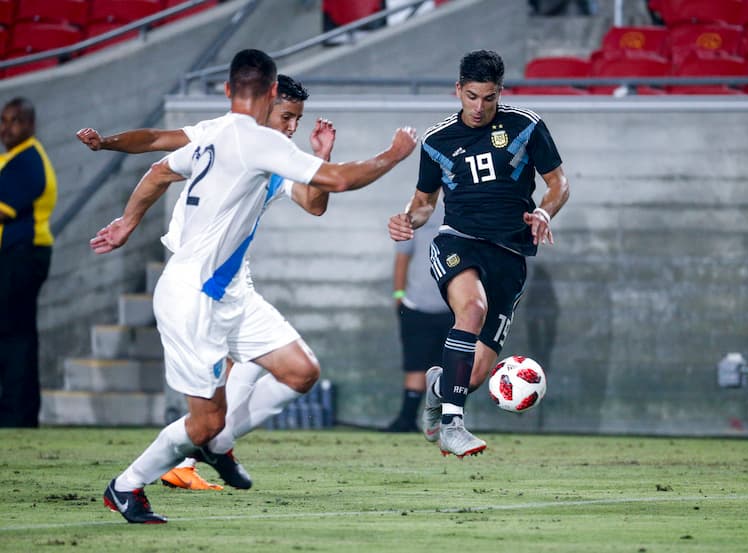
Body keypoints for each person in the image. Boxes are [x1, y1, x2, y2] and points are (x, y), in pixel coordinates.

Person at [92, 48, 417, 524]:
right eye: (287, 116)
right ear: (269, 94)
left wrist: (128, 221)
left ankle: (218, 444)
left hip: (230, 290)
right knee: (206, 420)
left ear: (230, 90)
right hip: (194, 293)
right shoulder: (256, 141)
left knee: (301, 372)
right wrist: (393, 155)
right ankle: (126, 485)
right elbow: (339, 182)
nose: (292, 126)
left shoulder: (223, 135)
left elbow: (162, 169)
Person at [78, 74, 335, 491]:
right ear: (265, 104)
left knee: (280, 369)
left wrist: (322, 159)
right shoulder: (220, 133)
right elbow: (156, 143)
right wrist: (107, 144)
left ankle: (209, 448)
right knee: (226, 388)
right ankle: (182, 459)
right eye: (287, 117)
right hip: (193, 278)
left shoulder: (277, 155)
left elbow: (314, 204)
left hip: (229, 277)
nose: (292, 128)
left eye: (297, 121)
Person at [387, 49, 569, 458]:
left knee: (473, 375)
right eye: (471, 96)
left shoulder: (527, 126)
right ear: (458, 90)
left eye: (488, 98)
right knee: (472, 309)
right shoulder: (437, 139)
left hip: (510, 254)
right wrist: (407, 219)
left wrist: (544, 211)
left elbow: (559, 184)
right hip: (459, 241)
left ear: (500, 92)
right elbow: (424, 203)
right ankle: (453, 426)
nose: (478, 107)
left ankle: (439, 388)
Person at [0, 97, 57, 428]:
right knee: (14, 334)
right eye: (4, 120)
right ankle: (18, 413)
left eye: (15, 121)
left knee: (14, 336)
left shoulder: (27, 160)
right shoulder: (14, 159)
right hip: (16, 255)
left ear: (31, 125)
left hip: (22, 255)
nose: (7, 128)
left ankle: (16, 416)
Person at [384, 199, 453, 433]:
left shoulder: (467, 210)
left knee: (449, 370)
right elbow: (402, 257)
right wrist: (399, 295)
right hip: (416, 306)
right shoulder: (416, 212)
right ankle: (406, 419)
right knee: (415, 365)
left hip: (453, 308)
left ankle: (447, 423)